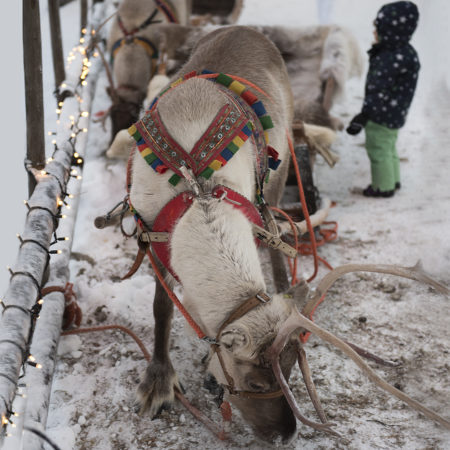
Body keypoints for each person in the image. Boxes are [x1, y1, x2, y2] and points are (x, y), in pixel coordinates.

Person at [346, 1, 420, 197]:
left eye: (377, 28)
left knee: (378, 149)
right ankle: (392, 180)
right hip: (396, 112)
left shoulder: (389, 58)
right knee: (389, 147)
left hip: (381, 115)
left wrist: (364, 115)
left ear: (391, 31)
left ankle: (383, 187)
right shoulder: (407, 52)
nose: (374, 33)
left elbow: (377, 90)